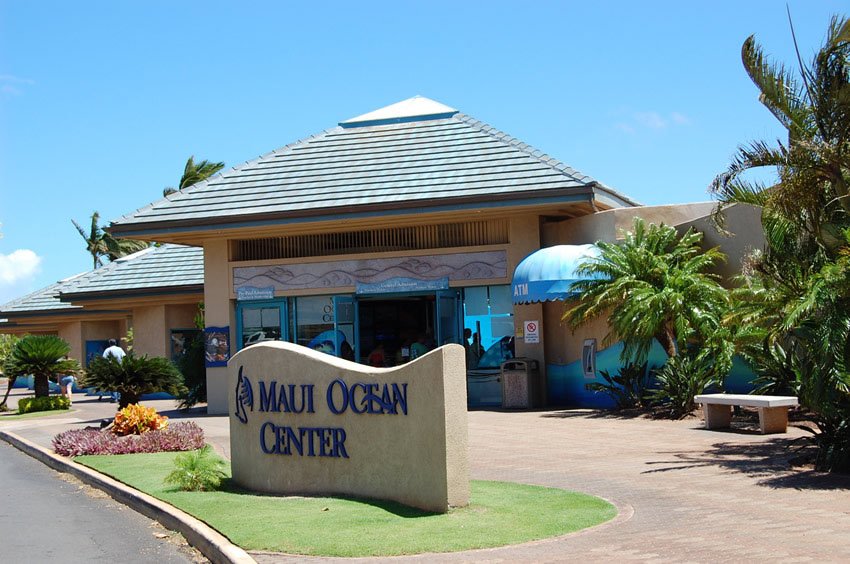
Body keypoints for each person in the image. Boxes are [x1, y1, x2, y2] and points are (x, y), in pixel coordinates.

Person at [102, 339, 126, 403]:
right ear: (115, 343)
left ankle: (114, 398)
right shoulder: (120, 349)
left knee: (112, 383)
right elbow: (124, 357)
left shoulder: (108, 350)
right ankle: (119, 397)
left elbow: (104, 359)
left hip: (111, 368)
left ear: (109, 343)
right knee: (119, 383)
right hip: (120, 368)